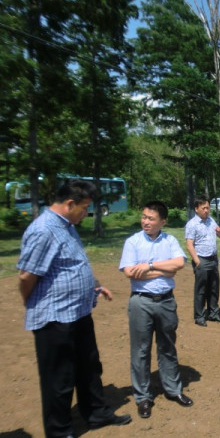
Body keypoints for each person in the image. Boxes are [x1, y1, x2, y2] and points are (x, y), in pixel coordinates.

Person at [17, 179, 131, 437]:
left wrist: (94, 285)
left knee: (89, 367)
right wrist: (31, 303)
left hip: (78, 312)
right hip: (54, 318)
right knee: (59, 378)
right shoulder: (43, 229)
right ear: (69, 204)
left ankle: (96, 413)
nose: (86, 213)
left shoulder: (67, 226)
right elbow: (26, 277)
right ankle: (59, 430)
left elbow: (71, 264)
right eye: (84, 208)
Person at [119, 201, 193, 420]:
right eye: (144, 217)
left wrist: (150, 266)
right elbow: (130, 273)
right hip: (141, 302)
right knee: (140, 351)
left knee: (167, 347)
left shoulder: (169, 240)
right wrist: (165, 271)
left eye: (151, 219)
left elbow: (179, 263)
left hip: (166, 302)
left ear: (163, 221)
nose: (146, 222)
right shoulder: (132, 242)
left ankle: (173, 389)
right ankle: (143, 397)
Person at [185, 197, 220, 326]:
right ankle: (200, 316)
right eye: (203, 208)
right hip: (201, 259)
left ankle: (213, 313)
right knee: (201, 289)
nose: (206, 210)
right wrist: (197, 261)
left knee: (214, 287)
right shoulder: (192, 224)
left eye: (208, 208)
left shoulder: (211, 221)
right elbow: (189, 245)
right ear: (196, 209)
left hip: (213, 259)